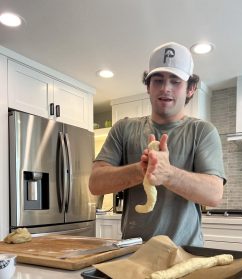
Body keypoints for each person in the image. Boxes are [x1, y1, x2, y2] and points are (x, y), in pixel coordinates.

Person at [89, 42, 226, 246]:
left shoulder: (202, 132)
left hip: (186, 254)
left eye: (175, 81)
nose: (165, 88)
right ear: (148, 86)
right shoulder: (124, 128)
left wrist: (168, 173)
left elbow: (214, 194)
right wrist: (141, 170)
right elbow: (96, 183)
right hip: (133, 252)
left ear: (190, 88)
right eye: (158, 80)